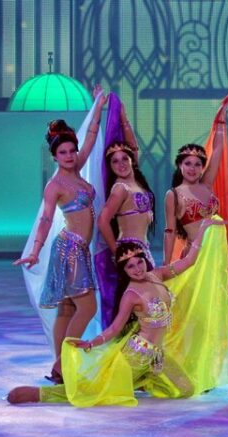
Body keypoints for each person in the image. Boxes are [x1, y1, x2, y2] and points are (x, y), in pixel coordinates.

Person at [6, 220, 221, 407]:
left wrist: (203, 229)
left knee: (186, 389)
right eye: (130, 267)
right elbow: (116, 327)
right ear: (124, 271)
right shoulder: (131, 294)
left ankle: (142, 381)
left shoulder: (157, 275)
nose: (137, 268)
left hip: (157, 357)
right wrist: (92, 343)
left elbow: (189, 261)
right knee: (96, 391)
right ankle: (40, 394)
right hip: (137, 356)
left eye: (139, 262)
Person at [14, 89, 107, 384]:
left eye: (71, 151)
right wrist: (35, 251)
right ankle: (61, 364)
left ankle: (59, 368)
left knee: (67, 308)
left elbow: (90, 137)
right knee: (88, 307)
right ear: (54, 156)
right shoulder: (55, 185)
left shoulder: (77, 169)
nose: (69, 156)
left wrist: (98, 107)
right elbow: (45, 219)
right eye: (62, 153)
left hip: (79, 249)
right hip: (69, 249)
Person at [161, 94, 228, 393]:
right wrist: (166, 267)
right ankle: (182, 370)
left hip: (214, 264)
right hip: (194, 262)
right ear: (179, 165)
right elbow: (169, 231)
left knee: (209, 318)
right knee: (189, 317)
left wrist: (221, 120)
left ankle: (203, 372)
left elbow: (217, 152)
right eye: (187, 163)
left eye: (197, 164)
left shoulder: (206, 185)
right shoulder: (174, 195)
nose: (192, 168)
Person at [95, 94, 156, 326]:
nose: (121, 163)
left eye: (124, 159)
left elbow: (134, 146)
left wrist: (123, 117)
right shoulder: (120, 188)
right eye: (114, 161)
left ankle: (144, 344)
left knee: (145, 305)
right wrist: (117, 252)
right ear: (110, 167)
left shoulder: (135, 181)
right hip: (131, 252)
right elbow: (103, 220)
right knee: (137, 307)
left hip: (142, 250)